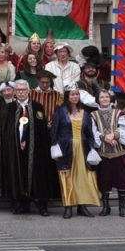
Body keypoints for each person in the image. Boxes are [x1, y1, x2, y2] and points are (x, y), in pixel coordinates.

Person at [0, 80, 53, 216]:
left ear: (29, 91)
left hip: (35, 150)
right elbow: (6, 130)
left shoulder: (37, 107)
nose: (21, 92)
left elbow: (42, 130)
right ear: (15, 92)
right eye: (18, 90)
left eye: (23, 89)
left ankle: (41, 205)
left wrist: (29, 141)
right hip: (15, 150)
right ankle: (20, 204)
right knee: (17, 173)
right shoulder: (9, 108)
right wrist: (16, 141)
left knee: (37, 174)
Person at [50, 87, 101, 218]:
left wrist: (91, 148)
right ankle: (68, 207)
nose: (75, 97)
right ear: (67, 96)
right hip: (66, 150)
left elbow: (89, 134)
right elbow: (54, 131)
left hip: (82, 150)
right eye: (72, 94)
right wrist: (54, 148)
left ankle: (82, 206)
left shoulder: (85, 113)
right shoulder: (60, 112)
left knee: (82, 179)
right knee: (66, 178)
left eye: (77, 94)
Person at [93, 90, 125, 217]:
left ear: (110, 98)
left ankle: (122, 207)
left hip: (119, 152)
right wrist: (105, 137)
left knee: (121, 179)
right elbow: (93, 132)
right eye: (102, 97)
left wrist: (114, 135)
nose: (104, 99)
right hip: (103, 153)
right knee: (104, 180)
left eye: (106, 97)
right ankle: (106, 207)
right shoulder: (93, 115)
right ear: (98, 99)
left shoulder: (119, 113)